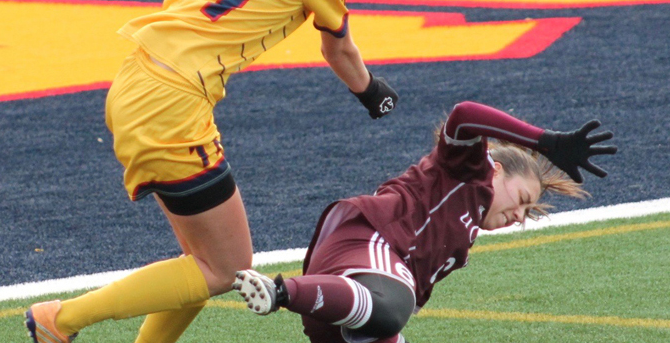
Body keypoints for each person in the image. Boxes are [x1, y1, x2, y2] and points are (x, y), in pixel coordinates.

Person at [25, 0, 399, 343]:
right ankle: (60, 321)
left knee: (199, 261)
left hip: (139, 75)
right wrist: (374, 93)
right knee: (226, 267)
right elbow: (340, 53)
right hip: (173, 106)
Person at [233, 101, 617, 343]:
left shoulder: (462, 236)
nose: (519, 215)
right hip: (368, 238)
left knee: (392, 314)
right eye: (521, 200)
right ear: (497, 170)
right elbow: (465, 114)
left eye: (526, 215)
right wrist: (544, 142)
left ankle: (291, 294)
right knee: (395, 307)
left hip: (348, 301)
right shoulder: (470, 171)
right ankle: (279, 291)